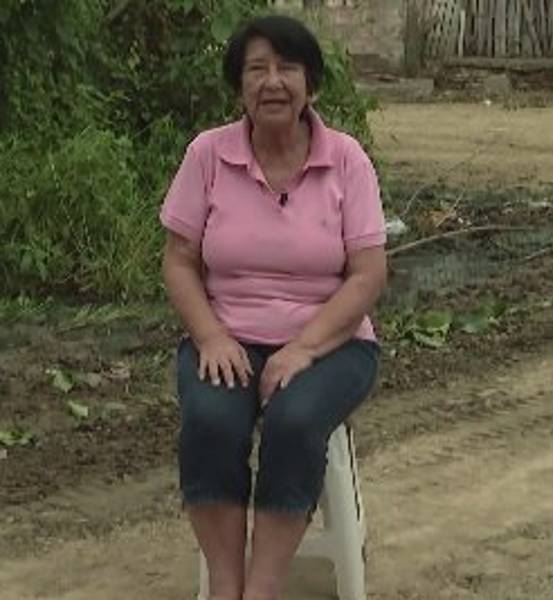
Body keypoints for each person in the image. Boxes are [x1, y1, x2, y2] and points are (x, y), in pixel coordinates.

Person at [160, 14, 387, 600]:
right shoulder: (208, 154)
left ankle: (261, 589)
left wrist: (304, 348)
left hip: (332, 342)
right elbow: (179, 261)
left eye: (287, 67)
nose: (272, 82)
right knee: (211, 422)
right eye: (256, 69)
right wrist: (210, 336)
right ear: (239, 85)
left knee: (294, 420)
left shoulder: (347, 160)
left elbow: (367, 274)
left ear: (310, 83)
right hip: (228, 335)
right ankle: (226, 586)